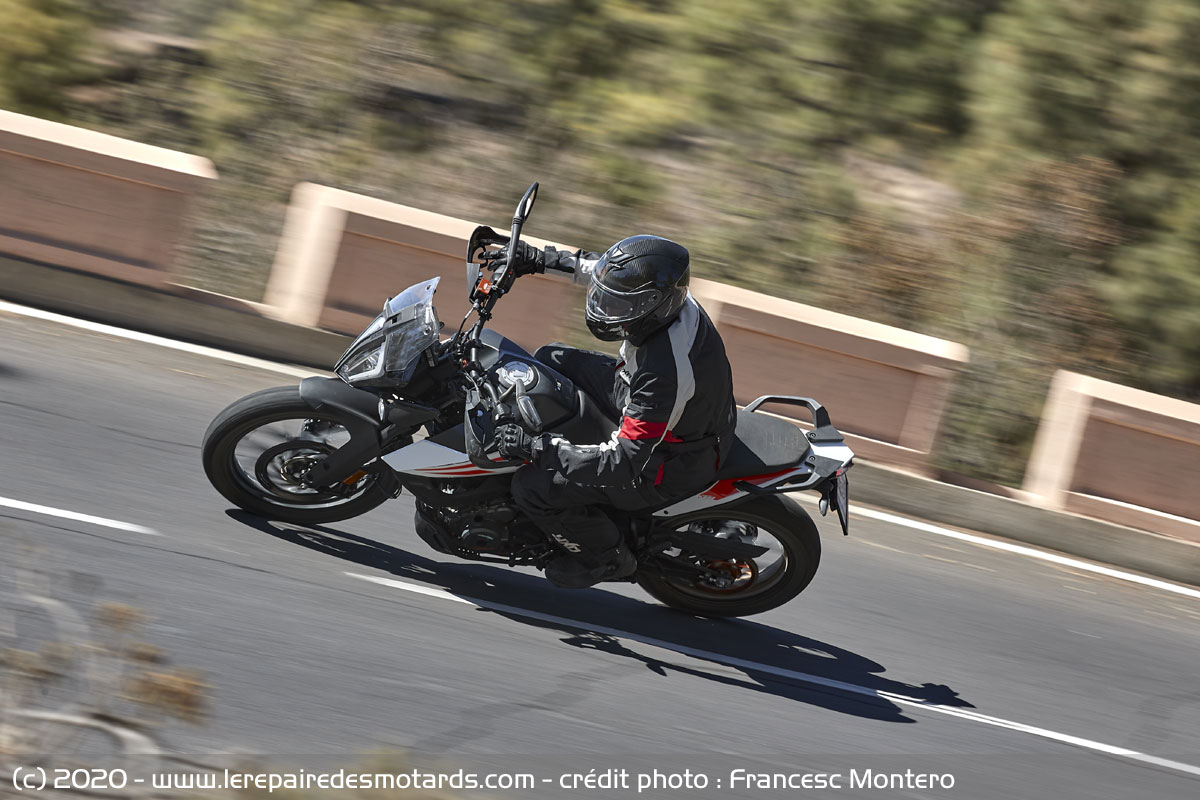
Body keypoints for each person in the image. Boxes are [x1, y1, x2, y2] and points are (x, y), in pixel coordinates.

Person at [484, 234, 737, 588]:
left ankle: (606, 559)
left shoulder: (663, 372)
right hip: (639, 390)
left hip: (667, 462)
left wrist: (537, 448)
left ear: (652, 306)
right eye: (607, 299)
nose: (605, 309)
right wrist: (539, 258)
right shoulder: (670, 295)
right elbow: (602, 272)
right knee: (548, 359)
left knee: (533, 487)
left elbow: (622, 462)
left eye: (617, 305)